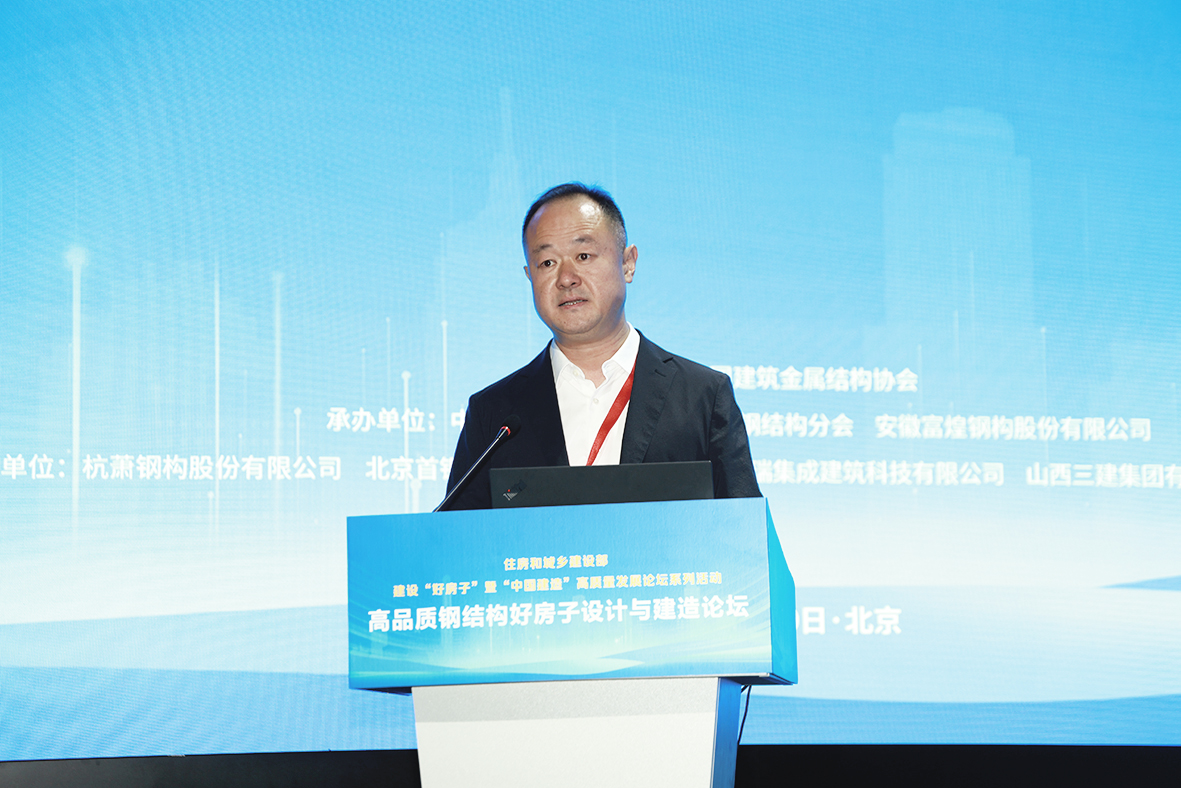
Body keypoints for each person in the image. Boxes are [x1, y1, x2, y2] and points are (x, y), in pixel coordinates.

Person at [444, 182, 760, 509]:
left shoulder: (702, 396)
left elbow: (745, 530)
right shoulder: (494, 414)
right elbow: (457, 535)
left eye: (583, 256)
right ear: (529, 276)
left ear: (628, 263)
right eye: (547, 263)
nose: (566, 278)